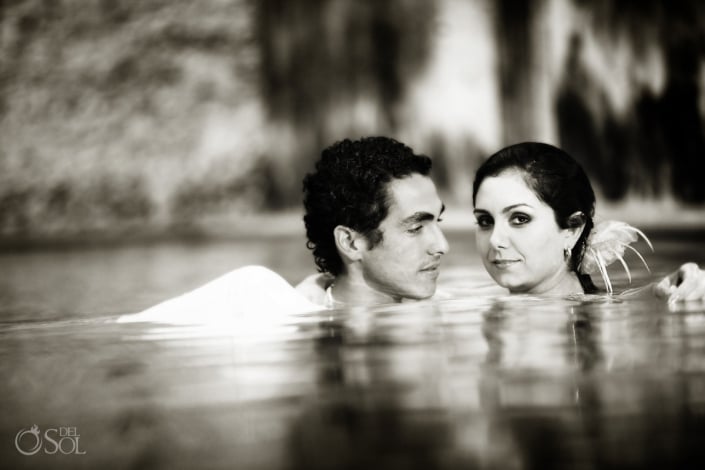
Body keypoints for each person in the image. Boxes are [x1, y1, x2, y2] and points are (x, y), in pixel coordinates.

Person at [119, 136, 448, 324]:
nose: (442, 246)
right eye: (417, 227)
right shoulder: (266, 307)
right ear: (350, 242)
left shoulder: (440, 304)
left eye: (438, 221)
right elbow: (129, 331)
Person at [471, 141, 705, 300]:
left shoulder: (606, 317)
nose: (495, 240)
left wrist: (686, 285)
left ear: (572, 230)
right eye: (484, 221)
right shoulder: (483, 306)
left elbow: (659, 294)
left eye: (520, 218)